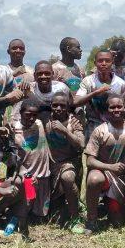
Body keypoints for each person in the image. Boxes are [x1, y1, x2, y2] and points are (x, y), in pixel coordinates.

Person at [83, 94, 125, 235]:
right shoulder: (100, 130)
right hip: (103, 174)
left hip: (122, 178)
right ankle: (92, 220)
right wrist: (110, 167)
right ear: (107, 110)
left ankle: (105, 206)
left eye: (119, 106)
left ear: (124, 108)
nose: (116, 110)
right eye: (112, 107)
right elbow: (90, 161)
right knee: (94, 179)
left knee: (117, 223)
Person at [45, 93, 85, 232]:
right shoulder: (45, 120)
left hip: (69, 163)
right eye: (55, 105)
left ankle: (75, 218)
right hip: (50, 164)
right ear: (51, 106)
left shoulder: (73, 122)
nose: (58, 108)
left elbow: (81, 145)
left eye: (62, 105)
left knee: (67, 178)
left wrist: (65, 132)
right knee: (54, 217)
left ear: (68, 107)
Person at [75, 50, 125, 139]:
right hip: (93, 128)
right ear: (95, 63)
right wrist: (96, 92)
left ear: (112, 62)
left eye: (107, 61)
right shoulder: (88, 81)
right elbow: (76, 101)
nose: (103, 63)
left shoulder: (121, 84)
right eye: (100, 61)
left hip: (115, 129)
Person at [13, 101, 51, 226]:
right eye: (28, 114)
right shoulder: (16, 130)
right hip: (28, 175)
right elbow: (15, 158)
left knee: (41, 212)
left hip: (43, 173)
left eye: (35, 115)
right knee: (28, 201)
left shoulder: (39, 123)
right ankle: (18, 221)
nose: (31, 118)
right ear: (21, 113)